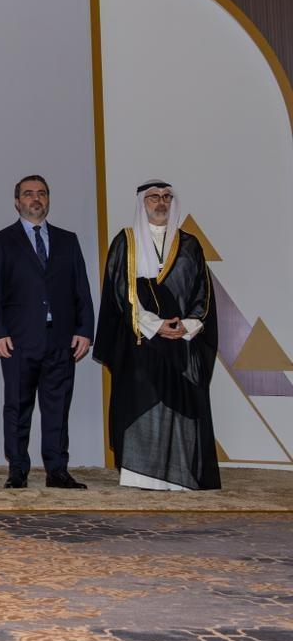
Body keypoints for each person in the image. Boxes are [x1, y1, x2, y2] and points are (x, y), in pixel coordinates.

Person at [93, 181, 220, 491]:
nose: (161, 203)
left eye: (166, 197)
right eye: (154, 197)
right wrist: (154, 325)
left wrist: (186, 325)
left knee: (182, 404)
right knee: (141, 402)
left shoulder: (189, 244)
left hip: (182, 342)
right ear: (142, 202)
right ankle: (140, 475)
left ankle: (181, 477)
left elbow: (202, 292)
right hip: (142, 341)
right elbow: (121, 292)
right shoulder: (126, 242)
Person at [0, 175, 95, 489]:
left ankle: (57, 471)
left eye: (42, 193)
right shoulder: (1, 240)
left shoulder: (68, 240)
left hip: (61, 339)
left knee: (57, 408)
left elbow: (81, 289)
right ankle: (18, 470)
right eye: (29, 194)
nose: (36, 199)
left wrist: (85, 329)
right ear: (17, 201)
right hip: (18, 340)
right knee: (17, 407)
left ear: (48, 199)